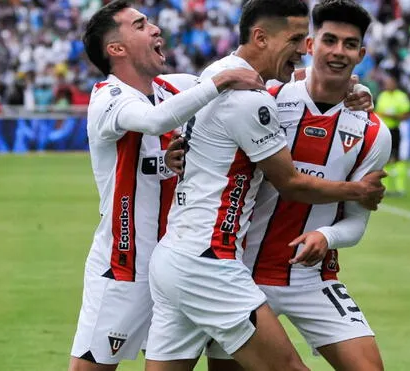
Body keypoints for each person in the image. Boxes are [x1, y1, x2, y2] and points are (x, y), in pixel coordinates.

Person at [145, 1, 387, 370]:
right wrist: (359, 190)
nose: (336, 51)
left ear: (361, 54)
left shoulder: (222, 74)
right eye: (302, 40)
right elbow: (289, 183)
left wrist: (328, 235)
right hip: (221, 264)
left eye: (349, 45)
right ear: (311, 46)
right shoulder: (262, 98)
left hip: (195, 259)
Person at [68, 1, 266, 370]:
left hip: (177, 261)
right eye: (140, 25)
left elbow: (242, 72)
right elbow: (157, 120)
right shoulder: (108, 98)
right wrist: (220, 81)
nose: (155, 28)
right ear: (116, 49)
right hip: (124, 265)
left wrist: (327, 82)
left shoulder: (170, 87)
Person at [375, 74, 410, 197]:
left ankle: (400, 188)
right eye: (386, 83)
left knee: (397, 158)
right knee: (385, 159)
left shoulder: (401, 97)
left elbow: (406, 114)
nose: (388, 85)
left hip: (395, 130)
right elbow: (377, 112)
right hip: (384, 131)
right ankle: (386, 188)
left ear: (395, 84)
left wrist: (392, 116)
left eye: (390, 83)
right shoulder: (382, 96)